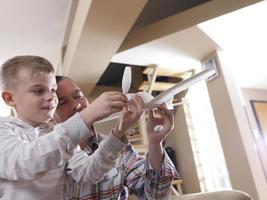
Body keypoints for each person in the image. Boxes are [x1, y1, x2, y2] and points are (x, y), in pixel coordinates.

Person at [0, 55, 141, 200]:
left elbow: (88, 173)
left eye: (53, 90)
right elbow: (24, 163)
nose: (50, 97)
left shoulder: (55, 134)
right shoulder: (3, 129)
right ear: (10, 98)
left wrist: (118, 133)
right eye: (38, 91)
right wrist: (87, 116)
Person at [54, 75, 179, 200]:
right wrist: (118, 133)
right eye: (62, 103)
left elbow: (155, 196)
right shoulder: (50, 155)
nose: (76, 105)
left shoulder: (120, 148)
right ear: (50, 116)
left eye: (78, 96)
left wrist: (155, 144)